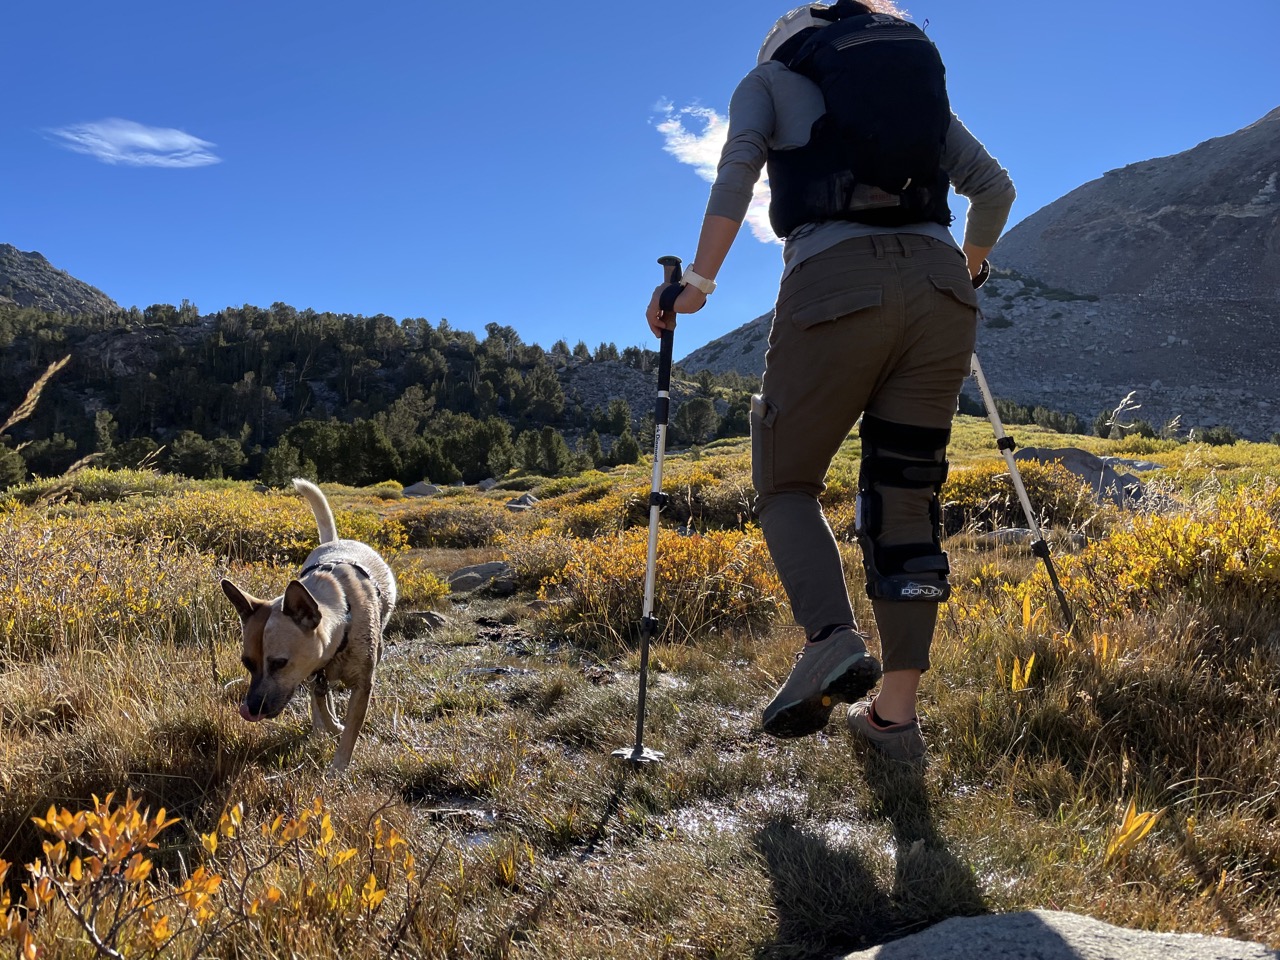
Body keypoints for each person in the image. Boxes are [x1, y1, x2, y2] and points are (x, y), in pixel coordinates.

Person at [645, 0, 1015, 764]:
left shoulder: (769, 77)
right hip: (944, 290)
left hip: (835, 284)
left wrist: (699, 284)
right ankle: (894, 723)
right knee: (907, 494)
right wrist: (968, 268)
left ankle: (830, 639)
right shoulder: (916, 93)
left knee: (786, 480)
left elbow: (738, 169)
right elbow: (995, 190)